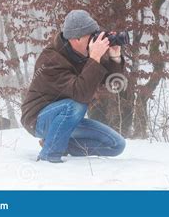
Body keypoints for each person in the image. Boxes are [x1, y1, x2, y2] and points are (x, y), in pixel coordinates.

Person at [20, 10, 126, 163]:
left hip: (67, 120)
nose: (94, 41)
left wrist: (114, 57)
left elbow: (112, 82)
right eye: (91, 36)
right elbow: (80, 94)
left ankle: (58, 143)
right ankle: (49, 155)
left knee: (116, 145)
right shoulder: (51, 60)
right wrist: (94, 58)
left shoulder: (83, 55)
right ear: (76, 39)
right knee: (76, 105)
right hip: (38, 119)